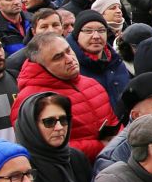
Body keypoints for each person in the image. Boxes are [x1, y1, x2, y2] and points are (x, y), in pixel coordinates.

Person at [14, 31, 121, 161]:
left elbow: (113, 121)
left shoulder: (91, 83)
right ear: (41, 64)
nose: (70, 59)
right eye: (58, 57)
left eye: (68, 50)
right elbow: (42, 149)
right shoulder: (31, 99)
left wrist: (118, 140)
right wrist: (100, 147)